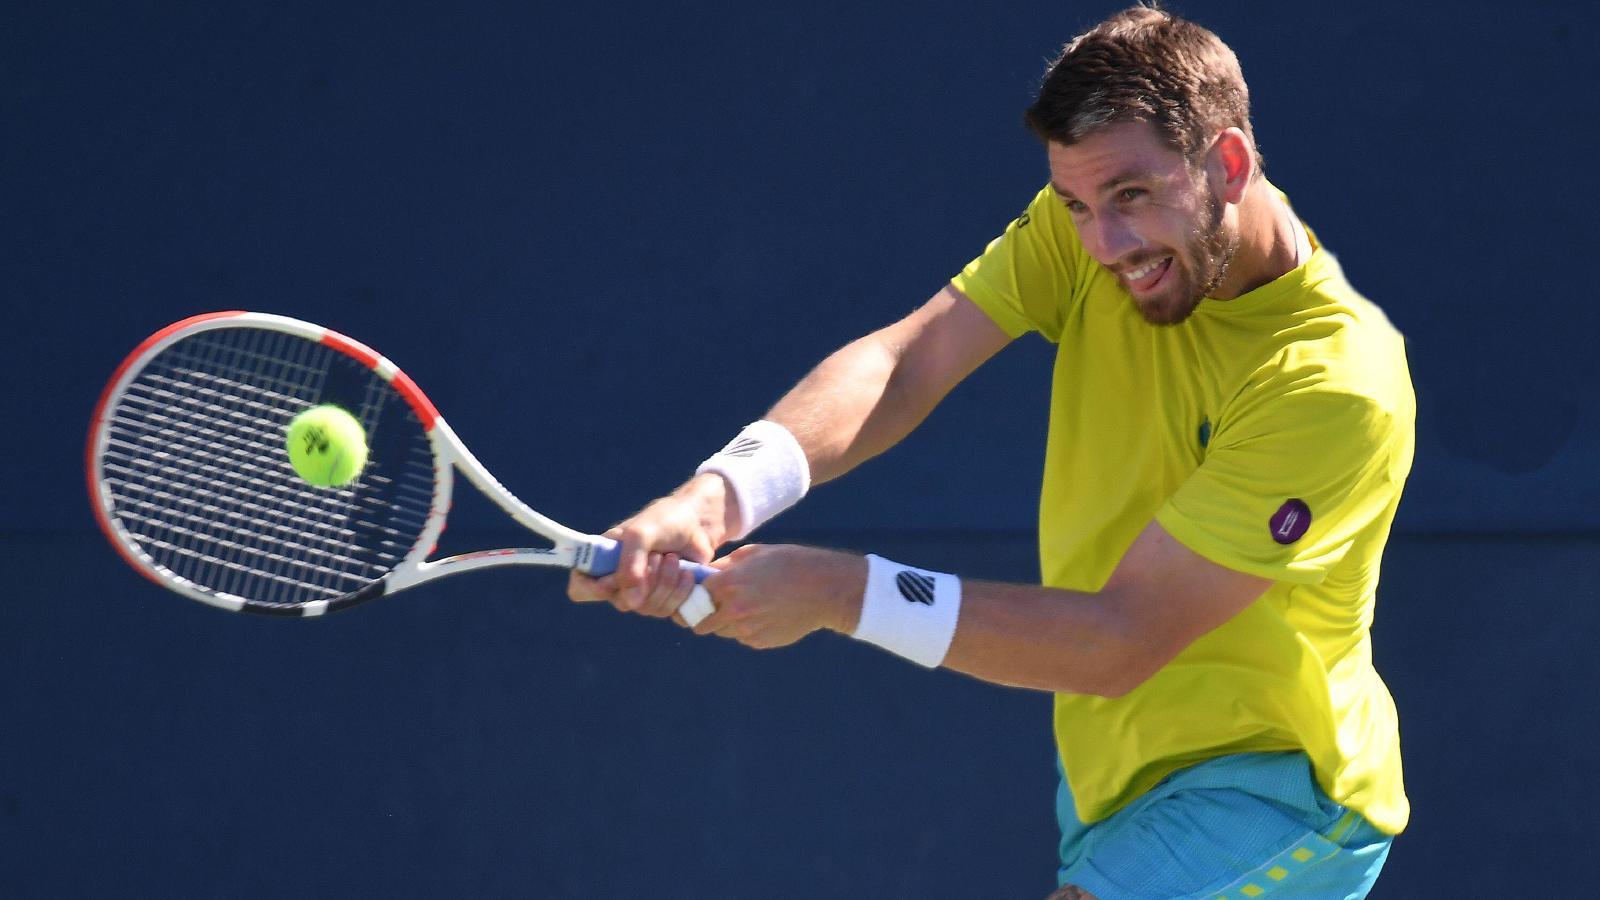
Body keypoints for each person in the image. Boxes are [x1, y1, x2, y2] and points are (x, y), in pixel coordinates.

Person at [568, 6, 1414, 898]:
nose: (1104, 244)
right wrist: (716, 499)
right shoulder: (1087, 231)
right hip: (1110, 785)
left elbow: (1119, 639)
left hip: (1279, 795)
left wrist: (832, 591)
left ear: (1229, 163)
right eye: (1078, 206)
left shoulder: (1331, 385)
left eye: (1131, 197)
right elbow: (905, 364)